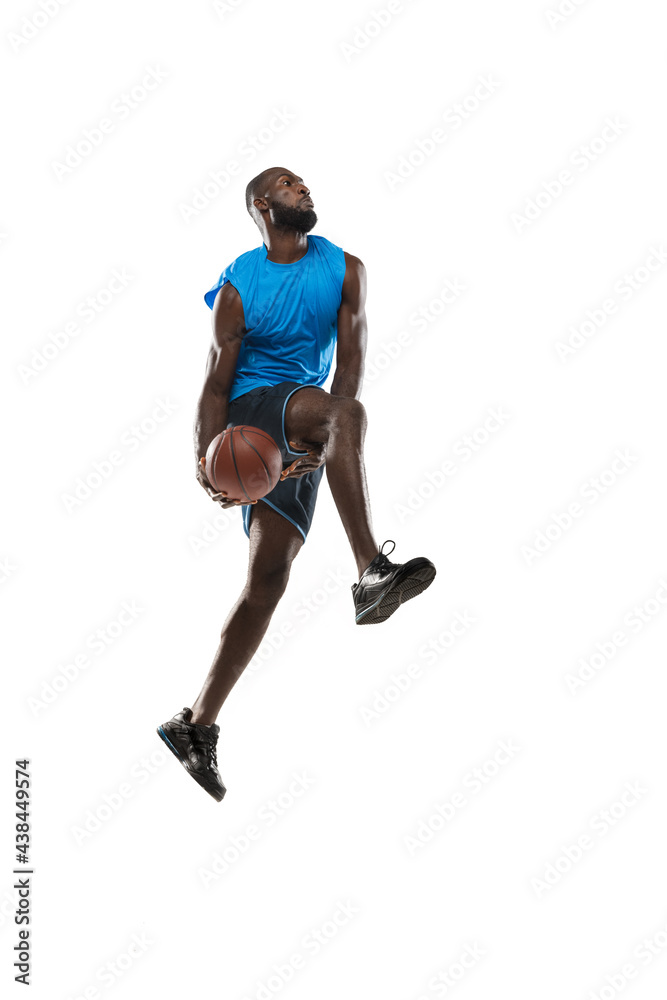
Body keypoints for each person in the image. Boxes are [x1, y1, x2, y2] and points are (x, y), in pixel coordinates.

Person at [157, 167, 436, 801]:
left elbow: (352, 359)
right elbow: (214, 386)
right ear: (262, 205)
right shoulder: (239, 285)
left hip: (302, 419)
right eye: (288, 184)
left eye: (305, 184)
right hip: (252, 415)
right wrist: (206, 462)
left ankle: (194, 726)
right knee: (345, 414)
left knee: (267, 581)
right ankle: (371, 571)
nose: (303, 188)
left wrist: (325, 436)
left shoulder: (345, 269)